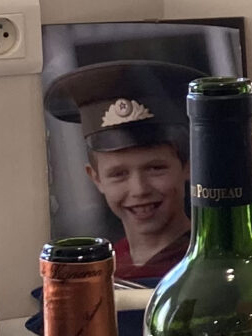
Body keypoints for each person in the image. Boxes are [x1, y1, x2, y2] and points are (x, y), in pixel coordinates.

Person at [42, 60, 201, 285]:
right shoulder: (102, 269)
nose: (139, 190)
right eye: (119, 174)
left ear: (188, 166)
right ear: (96, 178)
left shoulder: (206, 265)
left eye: (155, 169)